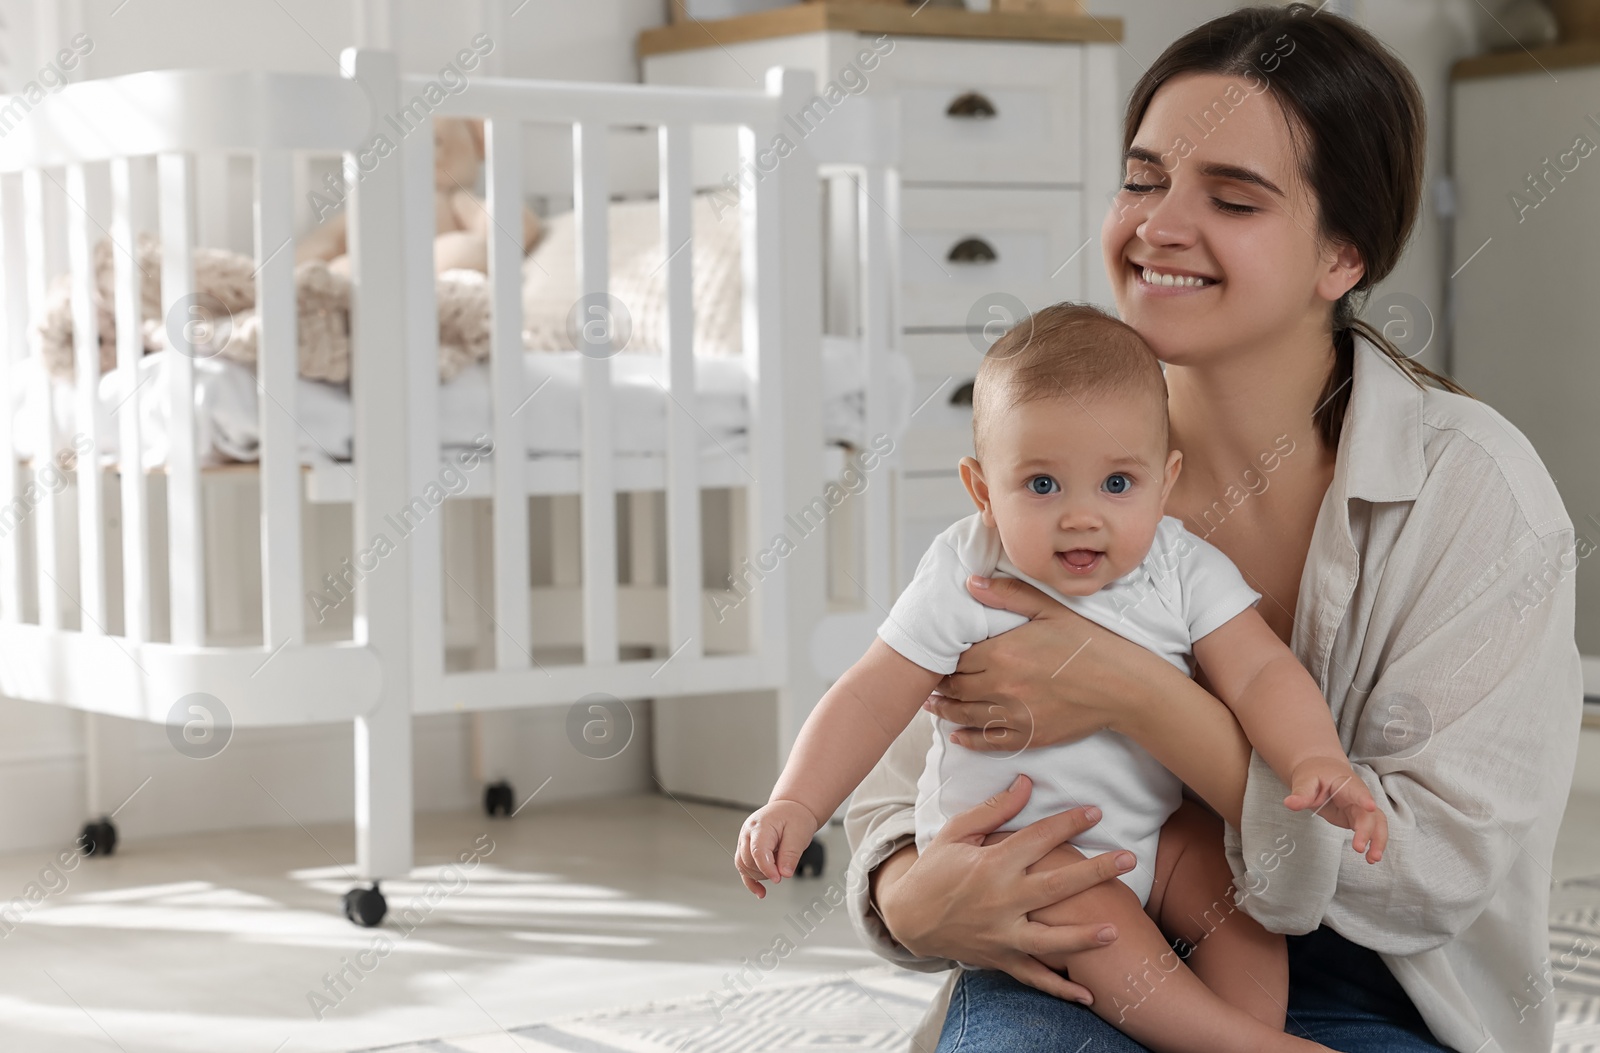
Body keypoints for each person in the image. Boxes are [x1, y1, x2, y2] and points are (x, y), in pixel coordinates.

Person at [843, 6, 1583, 1053]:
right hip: (1075, 942)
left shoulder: (1475, 496)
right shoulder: (1061, 457)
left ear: (1342, 257)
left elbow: (1433, 876)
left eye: (1230, 198)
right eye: (1142, 180)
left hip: (1385, 989)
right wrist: (909, 901)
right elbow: (891, 779)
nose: (1157, 225)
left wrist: (1131, 694)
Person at [736, 303, 1384, 1052]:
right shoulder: (969, 570)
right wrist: (796, 800)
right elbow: (869, 692)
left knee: (1239, 898)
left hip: (1153, 835)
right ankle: (1232, 1042)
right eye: (1042, 486)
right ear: (983, 491)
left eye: (1117, 482)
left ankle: (1248, 1027)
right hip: (1015, 850)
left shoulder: (1180, 566)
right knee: (1095, 916)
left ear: (1165, 480)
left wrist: (1315, 758)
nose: (1082, 517)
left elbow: (1262, 671)